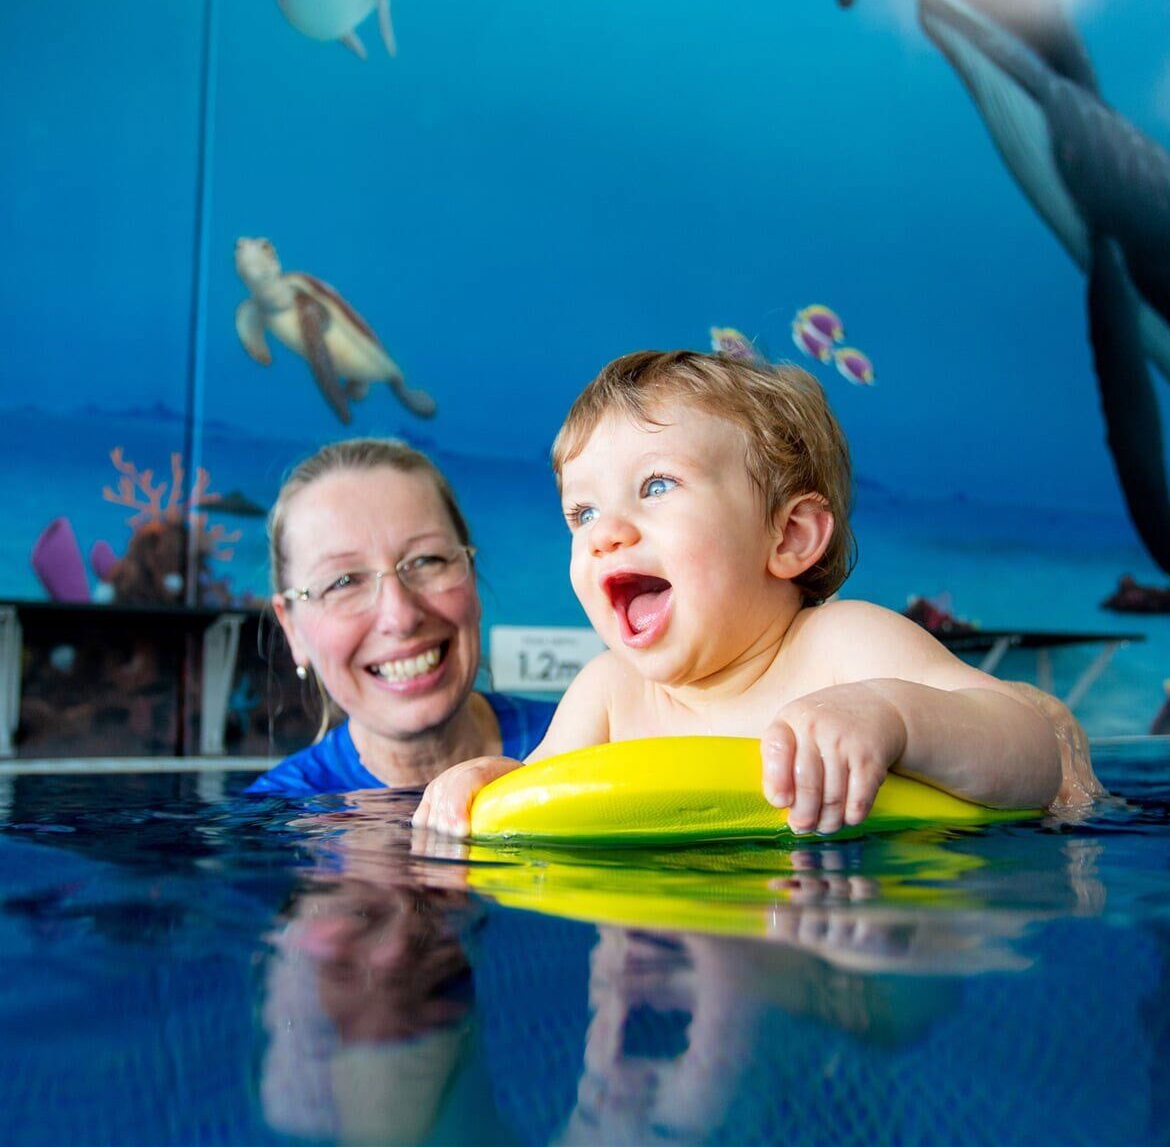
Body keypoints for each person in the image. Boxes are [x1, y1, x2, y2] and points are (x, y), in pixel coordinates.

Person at [415, 350, 1101, 836]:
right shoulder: (608, 692)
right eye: (582, 513)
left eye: (656, 486)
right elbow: (538, 793)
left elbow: (1033, 755)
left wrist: (890, 715)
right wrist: (483, 782)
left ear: (790, 536)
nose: (603, 536)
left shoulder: (844, 648)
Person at [248, 438, 556, 797]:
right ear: (292, 630)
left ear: (471, 577)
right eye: (343, 582)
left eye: (427, 561)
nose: (401, 616)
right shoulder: (277, 822)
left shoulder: (597, 741)